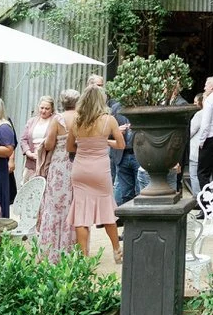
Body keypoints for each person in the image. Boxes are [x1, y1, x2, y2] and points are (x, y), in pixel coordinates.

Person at [56, 84, 125, 263]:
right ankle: (117, 251)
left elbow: (69, 147)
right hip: (100, 170)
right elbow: (121, 145)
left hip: (80, 169)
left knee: (81, 214)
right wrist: (105, 143)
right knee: (107, 211)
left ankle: (84, 258)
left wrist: (85, 145)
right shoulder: (108, 120)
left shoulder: (77, 121)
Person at [36, 91, 83, 261]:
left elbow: (49, 144)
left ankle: (52, 249)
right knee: (74, 204)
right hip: (78, 163)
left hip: (59, 166)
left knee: (55, 205)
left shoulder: (58, 119)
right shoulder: (83, 118)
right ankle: (74, 248)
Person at [109, 93, 142, 204]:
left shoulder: (142, 105)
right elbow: (106, 132)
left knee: (141, 192)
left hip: (139, 155)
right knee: (124, 194)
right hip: (121, 155)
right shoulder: (115, 108)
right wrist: (116, 130)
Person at [19, 97, 57, 184]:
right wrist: (29, 153)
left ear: (52, 109)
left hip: (47, 160)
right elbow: (23, 140)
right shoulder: (31, 121)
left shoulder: (55, 121)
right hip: (31, 161)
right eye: (42, 108)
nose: (43, 111)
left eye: (47, 109)